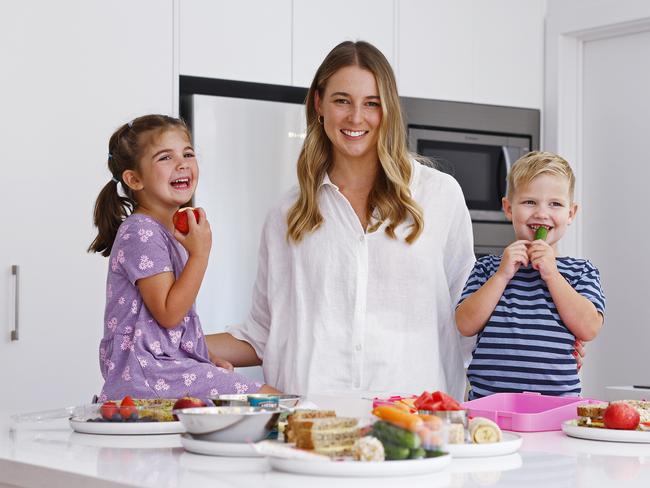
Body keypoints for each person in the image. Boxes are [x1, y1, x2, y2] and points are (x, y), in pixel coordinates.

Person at [205, 41, 476, 401]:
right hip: (311, 423)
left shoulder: (439, 196)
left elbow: (470, 315)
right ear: (319, 104)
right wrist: (168, 346)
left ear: (389, 109)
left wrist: (552, 332)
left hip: (415, 424)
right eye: (342, 100)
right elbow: (262, 332)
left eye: (372, 103)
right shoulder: (288, 214)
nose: (356, 117)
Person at [88, 114, 279, 401]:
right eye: (165, 157)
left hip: (161, 369)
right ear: (134, 179)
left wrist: (201, 354)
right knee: (279, 404)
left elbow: (163, 326)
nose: (182, 163)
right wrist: (200, 254)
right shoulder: (142, 232)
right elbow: (168, 312)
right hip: (151, 374)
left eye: (188, 153)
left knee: (272, 407)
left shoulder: (161, 231)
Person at [455, 151, 605, 399]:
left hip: (556, 405)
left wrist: (553, 275)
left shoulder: (581, 271)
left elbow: (588, 328)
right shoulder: (488, 268)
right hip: (489, 403)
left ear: (571, 213)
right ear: (508, 208)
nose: (541, 213)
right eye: (529, 202)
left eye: (555, 204)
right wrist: (502, 275)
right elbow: (465, 324)